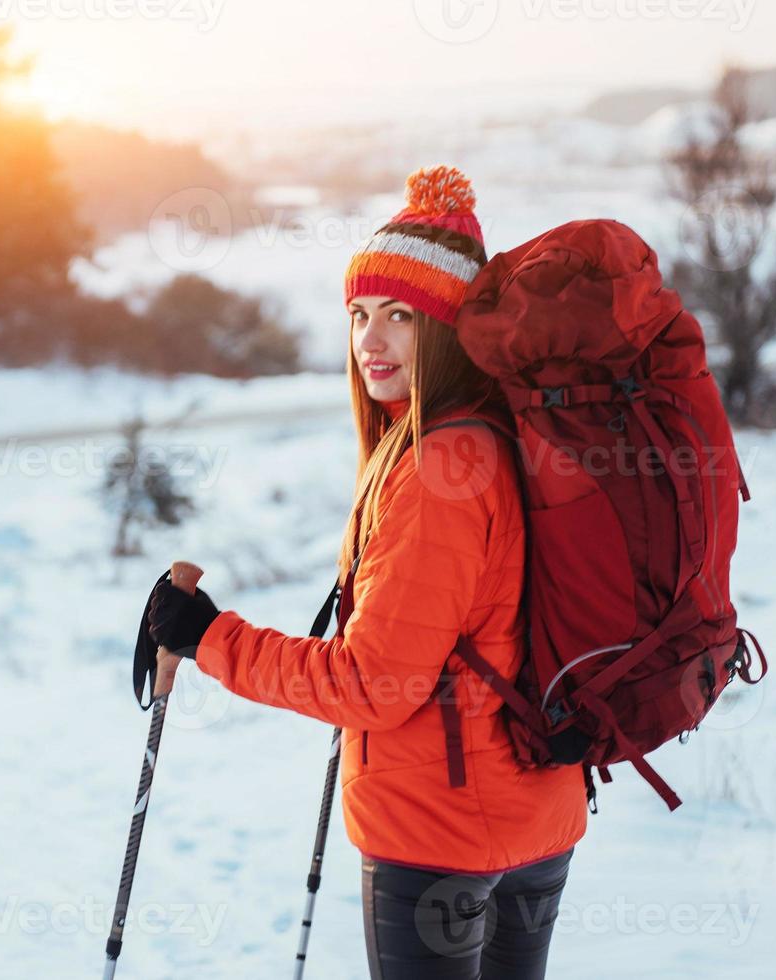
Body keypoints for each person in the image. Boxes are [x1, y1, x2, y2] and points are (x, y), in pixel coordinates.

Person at [144, 165, 588, 980]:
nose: (370, 341)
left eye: (401, 317)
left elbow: (372, 686)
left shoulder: (440, 469)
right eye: (358, 314)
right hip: (534, 809)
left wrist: (210, 637)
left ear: (450, 330)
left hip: (441, 832)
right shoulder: (503, 435)